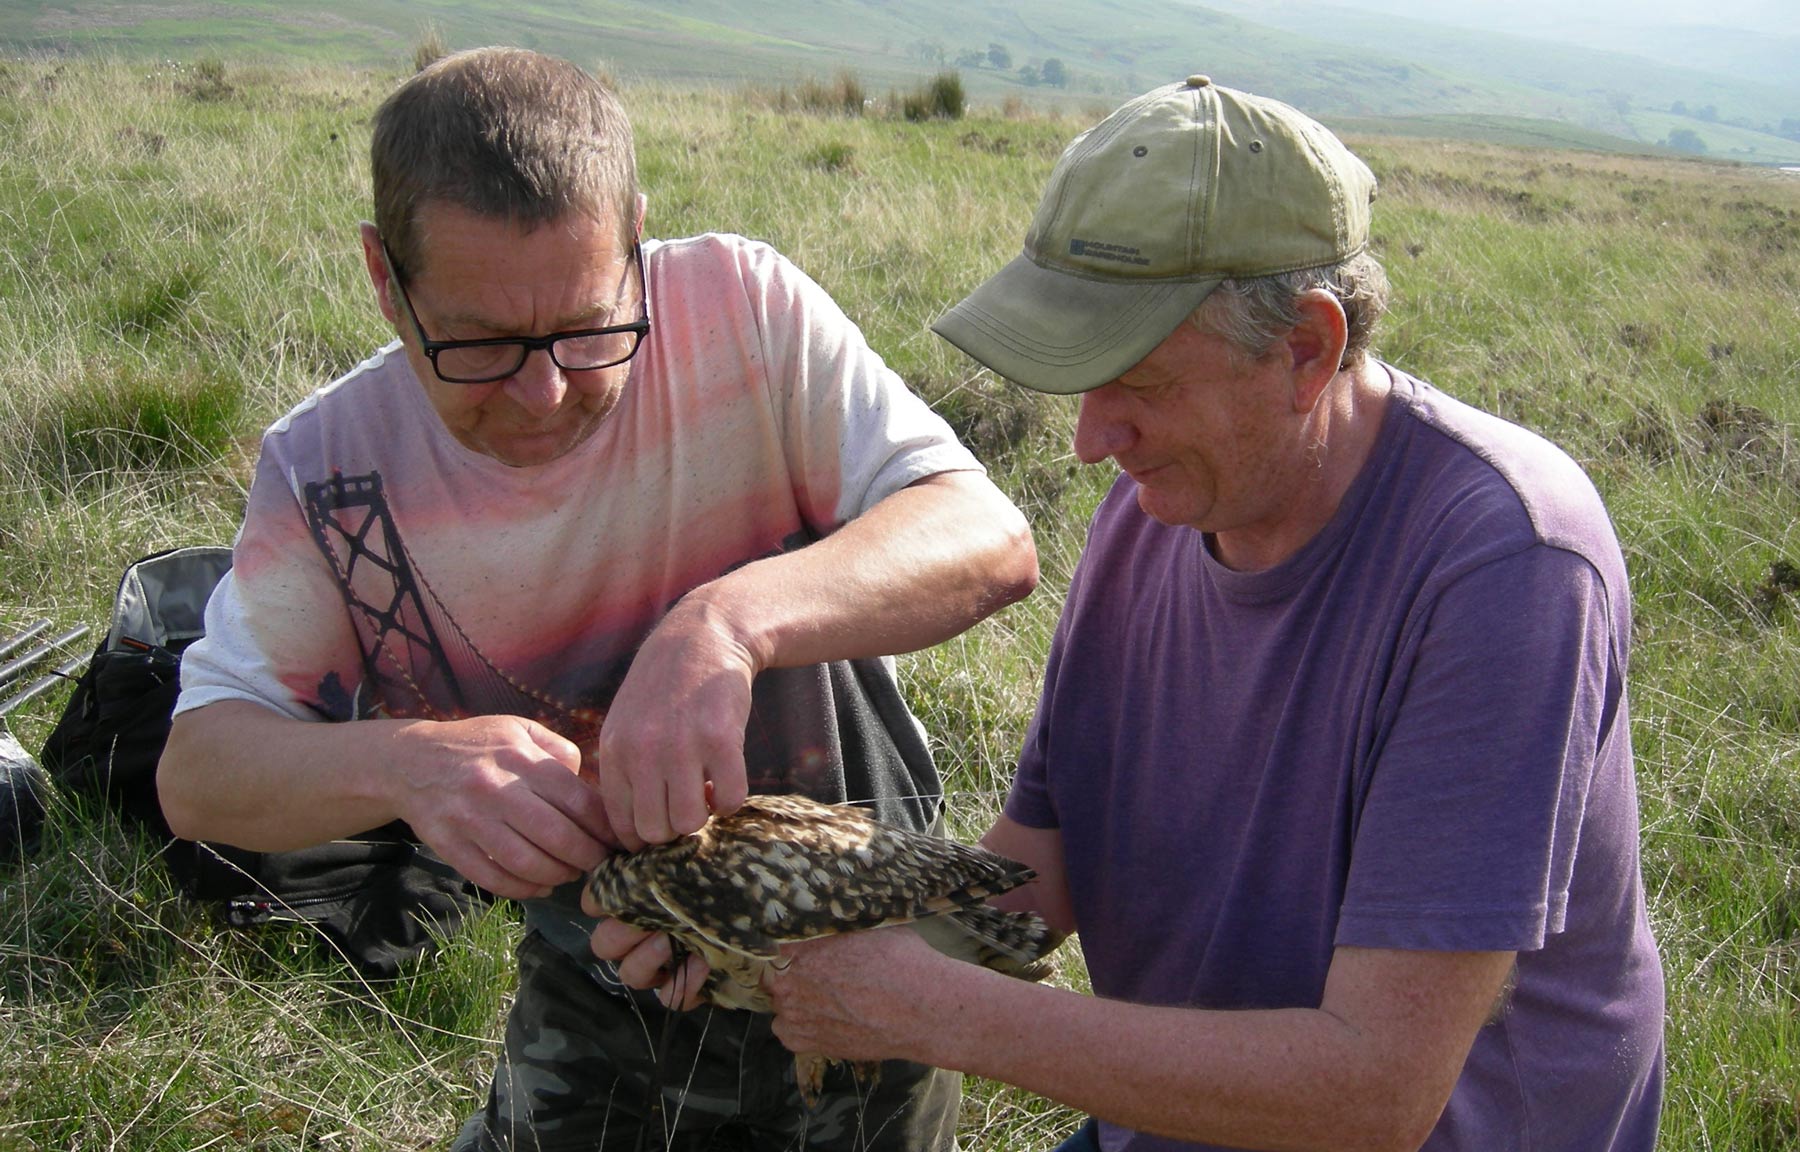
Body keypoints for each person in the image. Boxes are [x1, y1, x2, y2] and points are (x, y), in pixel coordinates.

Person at [613, 75, 1667, 1151]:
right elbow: (1042, 870)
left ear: (1306, 346)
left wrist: (929, 1007)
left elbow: (1376, 1094)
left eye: (1139, 380)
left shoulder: (1505, 565)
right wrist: (770, 934)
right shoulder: (1154, 512)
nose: (1088, 438)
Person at [156, 46, 1038, 1152]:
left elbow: (987, 537)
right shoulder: (332, 479)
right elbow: (200, 775)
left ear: (637, 240)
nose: (544, 393)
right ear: (387, 281)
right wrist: (407, 765)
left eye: (589, 329)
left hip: (869, 955)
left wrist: (727, 625)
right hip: (600, 982)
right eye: (478, 346)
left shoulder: (740, 310)